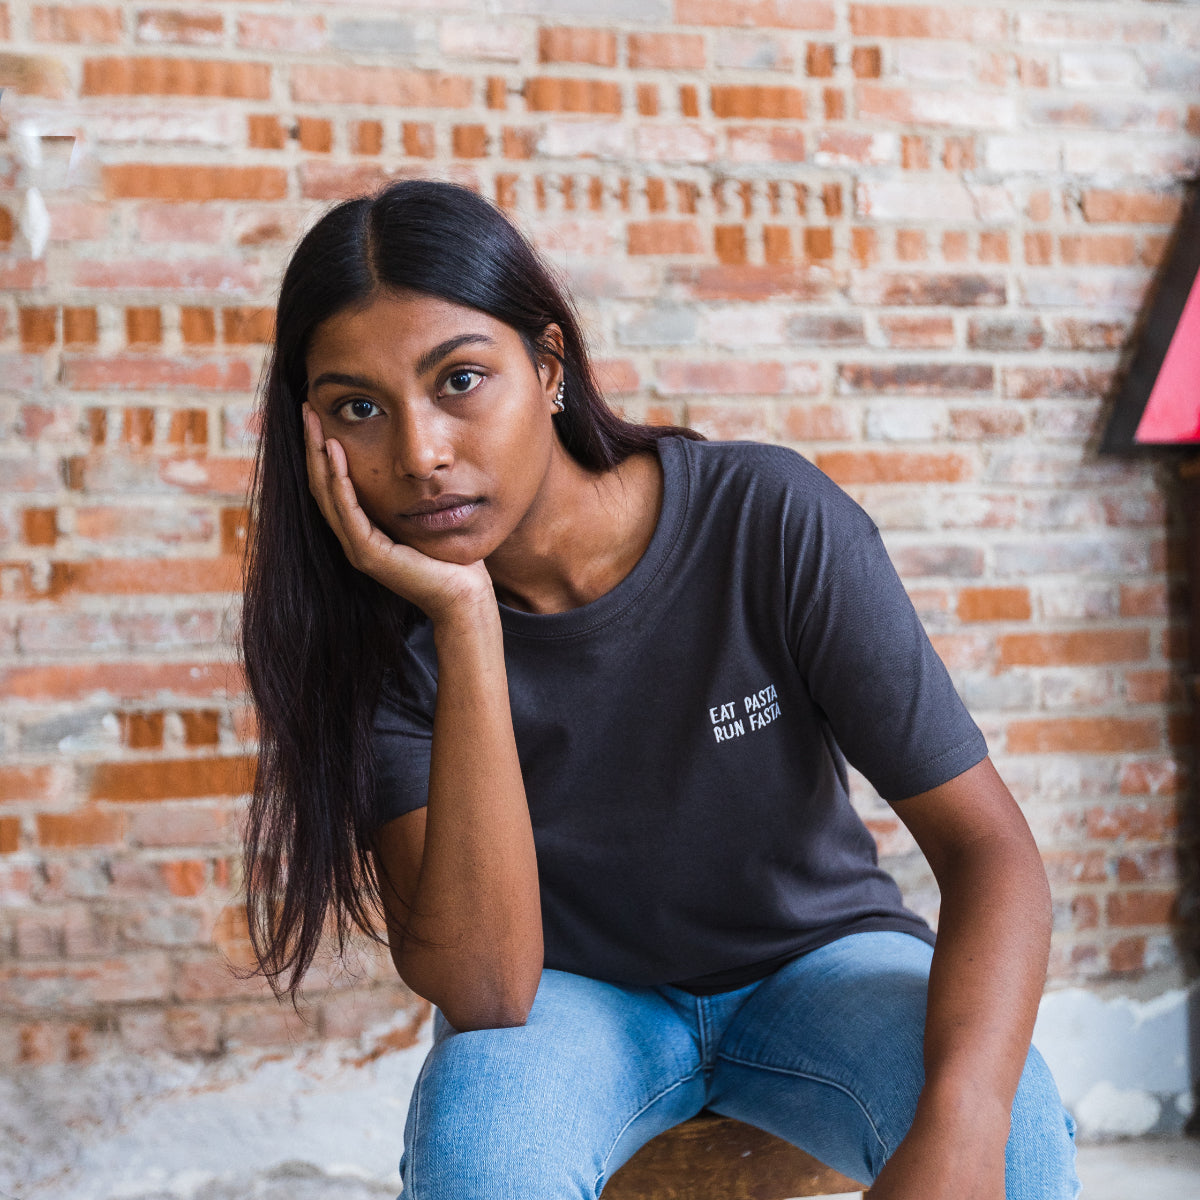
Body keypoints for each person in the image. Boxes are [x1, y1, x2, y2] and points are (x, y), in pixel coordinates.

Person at [240, 178, 1080, 1200]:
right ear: (315, 434)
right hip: (570, 1002)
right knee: (483, 1159)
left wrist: (965, 1124)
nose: (420, 454)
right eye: (359, 409)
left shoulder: (767, 522)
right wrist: (465, 622)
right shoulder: (374, 633)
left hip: (818, 965)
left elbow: (993, 852)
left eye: (459, 379)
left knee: (1018, 1127)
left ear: (548, 368)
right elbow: (490, 989)